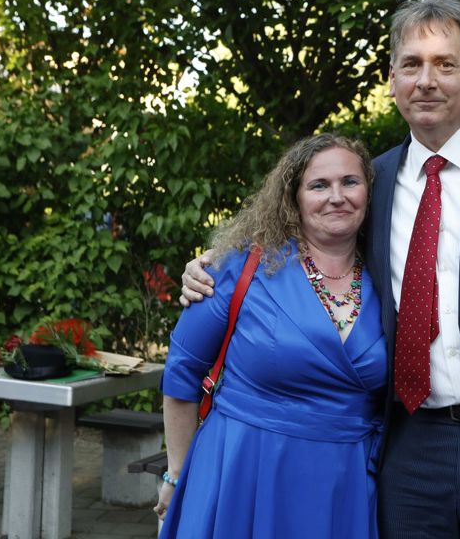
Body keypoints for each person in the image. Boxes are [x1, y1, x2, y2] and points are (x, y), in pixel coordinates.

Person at [182, 0, 460, 538]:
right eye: (412, 65)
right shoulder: (372, 182)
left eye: (445, 64)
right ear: (392, 79)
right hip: (409, 455)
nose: (427, 81)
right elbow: (306, 246)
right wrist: (215, 264)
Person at [157, 134, 386, 538]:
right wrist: (176, 473)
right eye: (319, 185)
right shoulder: (240, 268)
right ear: (293, 198)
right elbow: (182, 370)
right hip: (244, 469)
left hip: (342, 480)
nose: (337, 197)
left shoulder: (390, 277)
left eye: (350, 182)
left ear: (369, 191)